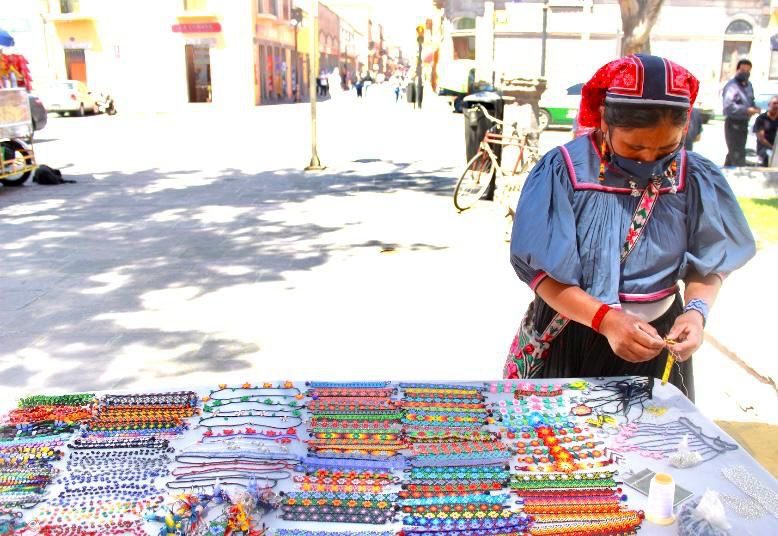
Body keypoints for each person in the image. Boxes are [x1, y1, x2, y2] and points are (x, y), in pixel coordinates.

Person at [504, 54, 756, 400]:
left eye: (667, 147)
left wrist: (696, 313)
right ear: (605, 121)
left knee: (653, 447)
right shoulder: (564, 172)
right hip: (574, 338)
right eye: (635, 147)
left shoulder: (694, 177)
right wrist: (606, 320)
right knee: (565, 448)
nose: (650, 160)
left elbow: (708, 262)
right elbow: (542, 275)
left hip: (657, 341)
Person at [722, 59, 760, 166]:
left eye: (748, 71)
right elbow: (728, 106)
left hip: (743, 123)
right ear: (737, 70)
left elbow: (751, 101)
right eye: (743, 70)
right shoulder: (731, 86)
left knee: (735, 152)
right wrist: (746, 110)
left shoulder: (749, 85)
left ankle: (724, 175)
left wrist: (754, 108)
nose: (745, 73)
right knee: (737, 153)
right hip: (733, 124)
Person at [753, 96, 778, 166]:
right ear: (769, 105)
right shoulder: (761, 119)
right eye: (774, 103)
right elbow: (761, 139)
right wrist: (773, 148)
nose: (776, 106)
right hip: (764, 150)